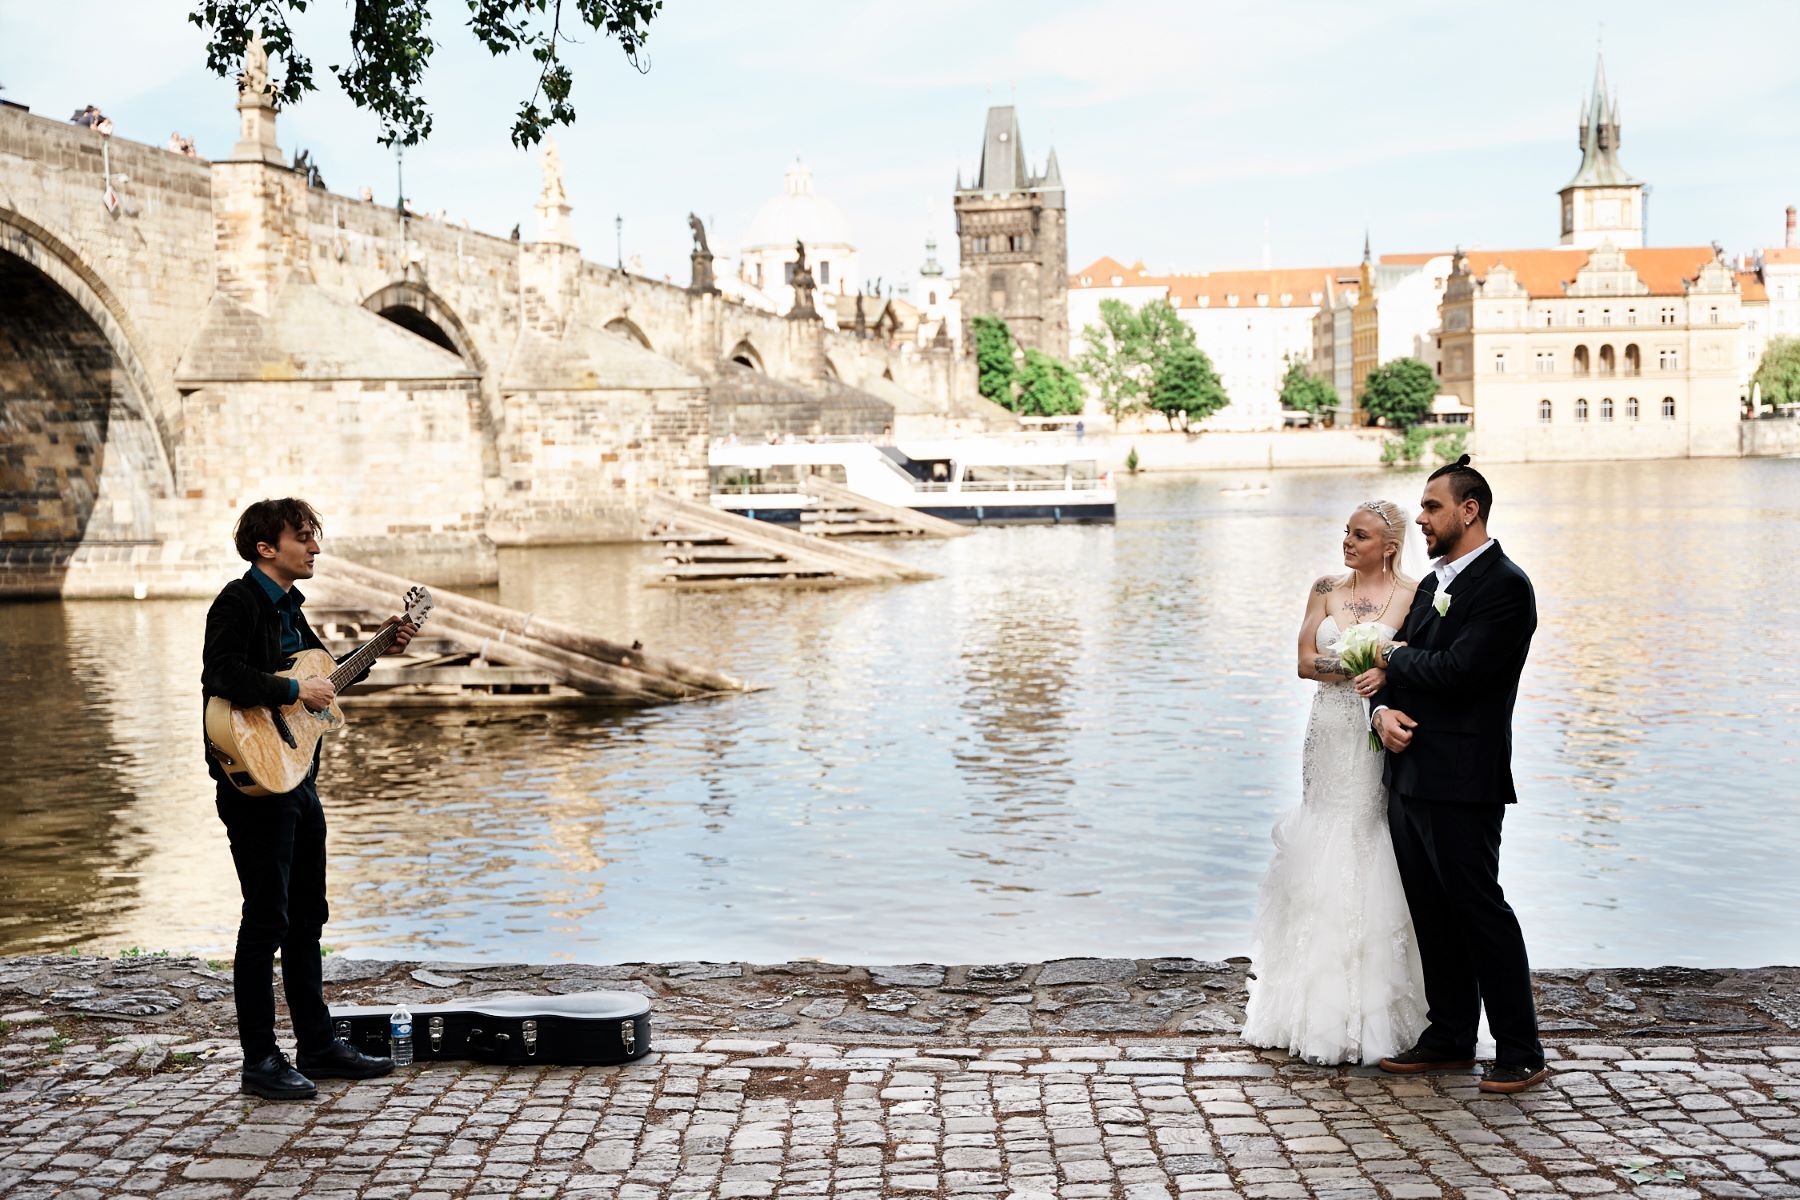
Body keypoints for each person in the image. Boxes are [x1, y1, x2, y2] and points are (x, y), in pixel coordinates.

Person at [201, 499, 417, 1100]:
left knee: (307, 918)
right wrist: (296, 686)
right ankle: (260, 1060)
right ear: (267, 548)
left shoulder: (293, 609)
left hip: (299, 778)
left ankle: (316, 1046)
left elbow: (327, 682)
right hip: (253, 785)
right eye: (304, 538)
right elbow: (221, 676)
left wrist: (377, 651)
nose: (315, 548)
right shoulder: (237, 602)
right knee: (265, 918)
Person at [1364, 456, 1548, 1094]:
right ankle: (1449, 1037)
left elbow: (1463, 671)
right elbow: (1389, 675)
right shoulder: (1433, 583)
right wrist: (1381, 711)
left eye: (1432, 506)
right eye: (1421, 506)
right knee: (1431, 912)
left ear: (1469, 510)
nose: (1421, 517)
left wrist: (1393, 657)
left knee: (1479, 910)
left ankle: (1521, 1048)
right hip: (1408, 773)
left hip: (1465, 777)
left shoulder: (1504, 585)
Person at [1242, 500, 1426, 1065]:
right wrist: (1357, 662)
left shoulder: (1413, 595)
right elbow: (1303, 661)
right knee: (1321, 829)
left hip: (1373, 727)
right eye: (1346, 531)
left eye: (1361, 535)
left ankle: (1371, 1009)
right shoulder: (1324, 585)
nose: (1347, 541)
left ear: (1388, 546)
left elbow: (1419, 659)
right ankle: (1302, 1003)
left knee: (1363, 833)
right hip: (1327, 726)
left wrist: (1388, 667)